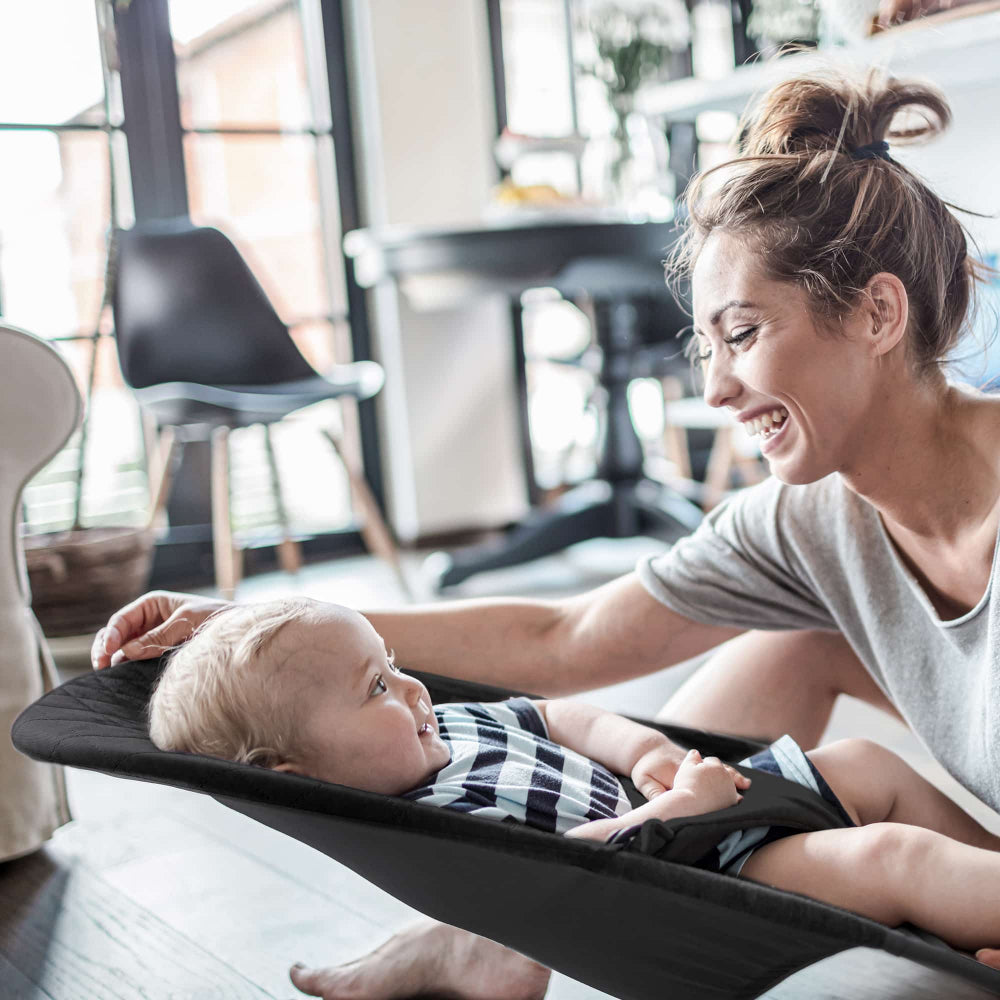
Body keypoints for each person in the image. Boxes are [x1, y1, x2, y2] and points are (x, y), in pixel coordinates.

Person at [92, 69, 1000, 997]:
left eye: (743, 333)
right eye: (705, 347)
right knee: (797, 644)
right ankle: (492, 934)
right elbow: (562, 637)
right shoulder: (807, 518)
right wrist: (260, 625)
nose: (716, 389)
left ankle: (499, 933)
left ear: (878, 314)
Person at [149, 596, 1000, 963]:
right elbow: (575, 870)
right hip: (705, 874)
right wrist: (681, 804)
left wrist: (643, 751)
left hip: (709, 809)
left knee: (866, 765)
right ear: (297, 774)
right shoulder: (436, 813)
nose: (412, 690)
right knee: (890, 857)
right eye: (375, 688)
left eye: (395, 664)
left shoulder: (449, 729)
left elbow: (561, 717)